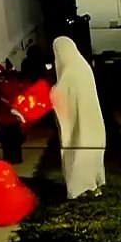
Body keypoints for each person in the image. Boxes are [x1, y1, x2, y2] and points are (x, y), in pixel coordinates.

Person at [50, 36, 106, 199]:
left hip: (79, 126)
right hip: (93, 123)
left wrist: (51, 92)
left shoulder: (69, 72)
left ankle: (79, 189)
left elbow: (58, 95)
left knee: (77, 153)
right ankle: (93, 186)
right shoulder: (83, 67)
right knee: (90, 154)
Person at [0, 62, 29, 163]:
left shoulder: (1, 87)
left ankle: (13, 160)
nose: (1, 77)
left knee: (13, 143)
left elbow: (21, 92)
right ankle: (12, 160)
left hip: (10, 120)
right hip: (4, 122)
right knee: (9, 144)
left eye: (2, 74)